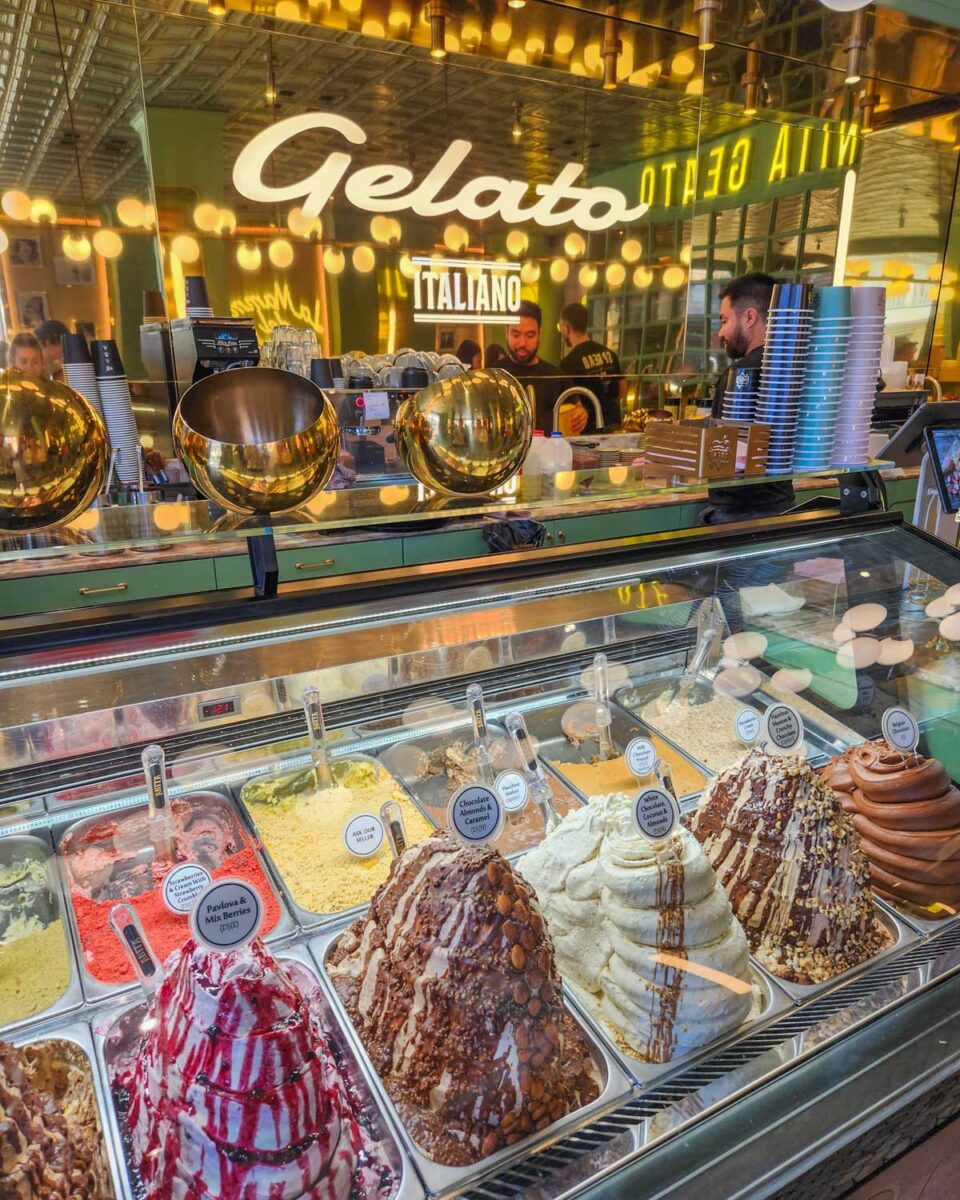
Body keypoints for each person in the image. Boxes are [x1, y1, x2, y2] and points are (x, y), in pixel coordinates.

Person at [702, 272, 795, 525]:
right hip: (783, 509)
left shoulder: (740, 374)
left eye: (725, 321)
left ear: (750, 317)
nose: (721, 332)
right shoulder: (792, 367)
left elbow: (723, 454)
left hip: (736, 515)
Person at [501, 301, 582, 433]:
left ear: (540, 335)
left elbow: (577, 409)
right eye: (516, 334)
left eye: (530, 335)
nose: (522, 343)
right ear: (506, 332)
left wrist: (580, 415)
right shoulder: (494, 376)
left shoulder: (556, 377)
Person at [558, 302, 625, 432]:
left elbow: (567, 404)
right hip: (614, 427)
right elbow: (622, 389)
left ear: (566, 327)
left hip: (588, 432)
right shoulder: (610, 354)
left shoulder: (568, 363)